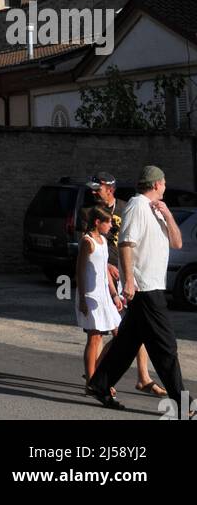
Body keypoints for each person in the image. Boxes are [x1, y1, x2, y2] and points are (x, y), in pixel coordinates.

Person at [87, 165, 188, 416]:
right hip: (145, 288)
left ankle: (99, 384)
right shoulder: (136, 206)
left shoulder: (157, 210)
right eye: (163, 182)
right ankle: (184, 405)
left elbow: (177, 242)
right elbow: (125, 243)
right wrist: (129, 281)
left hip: (153, 286)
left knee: (128, 343)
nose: (165, 186)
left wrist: (168, 214)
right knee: (165, 347)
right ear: (155, 184)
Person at [79, 172, 165, 397]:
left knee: (132, 327)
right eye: (93, 188)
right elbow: (85, 246)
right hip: (101, 278)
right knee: (100, 332)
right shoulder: (88, 212)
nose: (93, 192)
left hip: (126, 276)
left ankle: (141, 376)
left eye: (97, 188)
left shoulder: (127, 207)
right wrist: (105, 265)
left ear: (110, 188)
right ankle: (96, 376)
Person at [76, 206, 123, 391]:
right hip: (90, 295)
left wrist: (114, 295)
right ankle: (91, 383)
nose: (111, 225)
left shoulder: (103, 240)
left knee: (120, 336)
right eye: (108, 222)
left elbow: (105, 271)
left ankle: (98, 373)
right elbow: (79, 271)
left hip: (105, 296)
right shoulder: (87, 242)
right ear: (97, 222)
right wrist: (81, 299)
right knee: (94, 338)